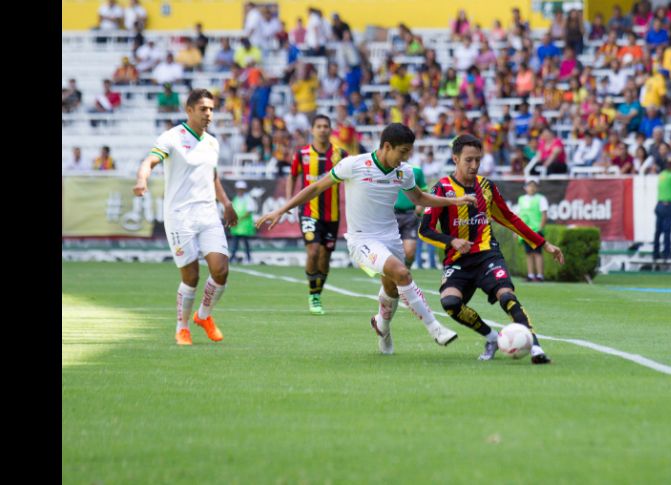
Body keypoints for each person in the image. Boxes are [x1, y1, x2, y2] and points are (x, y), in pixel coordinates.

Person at [257, 123, 477, 353]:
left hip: (391, 238)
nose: (404, 158)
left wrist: (454, 200)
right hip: (362, 240)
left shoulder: (405, 171)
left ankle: (382, 325)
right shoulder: (354, 164)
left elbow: (420, 198)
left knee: (392, 289)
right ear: (387, 146)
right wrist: (281, 209)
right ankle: (435, 328)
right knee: (402, 273)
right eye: (402, 152)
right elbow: (316, 188)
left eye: (408, 153)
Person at [419, 134, 564, 362]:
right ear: (455, 159)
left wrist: (543, 243)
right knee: (450, 303)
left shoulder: (486, 187)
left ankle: (536, 348)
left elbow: (509, 219)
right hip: (458, 260)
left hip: (488, 256)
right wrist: (452, 241)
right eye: (469, 160)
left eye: (478, 160)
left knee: (507, 296)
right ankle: (491, 337)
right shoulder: (443, 189)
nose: (474, 165)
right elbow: (424, 230)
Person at [133, 88, 237, 346]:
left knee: (221, 270)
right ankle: (182, 328)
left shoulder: (212, 142)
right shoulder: (172, 138)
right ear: (189, 110)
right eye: (203, 109)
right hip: (180, 216)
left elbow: (212, 176)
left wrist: (226, 202)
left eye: (211, 109)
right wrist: (141, 178)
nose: (208, 114)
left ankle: (203, 316)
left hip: (208, 213)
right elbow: (150, 160)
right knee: (191, 276)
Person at [285, 115, 349, 315]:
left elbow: (351, 178)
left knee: (324, 257)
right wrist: (289, 201)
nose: (322, 130)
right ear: (312, 130)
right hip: (308, 212)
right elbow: (292, 176)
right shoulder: (302, 154)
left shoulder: (341, 154)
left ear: (330, 130)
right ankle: (313, 296)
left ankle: (317, 293)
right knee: (313, 251)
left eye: (326, 126)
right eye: (318, 126)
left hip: (332, 215)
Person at [394, 158, 428, 269]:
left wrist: (419, 209)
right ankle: (393, 277)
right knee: (390, 252)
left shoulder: (416, 170)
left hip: (410, 215)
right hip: (391, 216)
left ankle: (405, 272)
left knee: (409, 253)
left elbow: (424, 191)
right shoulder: (387, 169)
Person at [516, 179, 550, 282]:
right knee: (529, 253)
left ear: (537, 188)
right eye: (529, 186)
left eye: (534, 186)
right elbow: (518, 215)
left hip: (535, 230)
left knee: (537, 253)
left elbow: (544, 215)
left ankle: (540, 275)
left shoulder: (541, 199)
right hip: (524, 231)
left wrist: (540, 228)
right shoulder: (521, 199)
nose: (531, 188)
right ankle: (530, 275)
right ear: (525, 187)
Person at [229, 180, 256, 264]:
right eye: (238, 189)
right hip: (236, 227)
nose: (240, 190)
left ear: (244, 189)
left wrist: (238, 219)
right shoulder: (235, 199)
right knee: (234, 244)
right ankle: (232, 258)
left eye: (241, 189)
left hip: (245, 226)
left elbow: (249, 211)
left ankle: (248, 258)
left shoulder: (248, 199)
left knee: (246, 244)